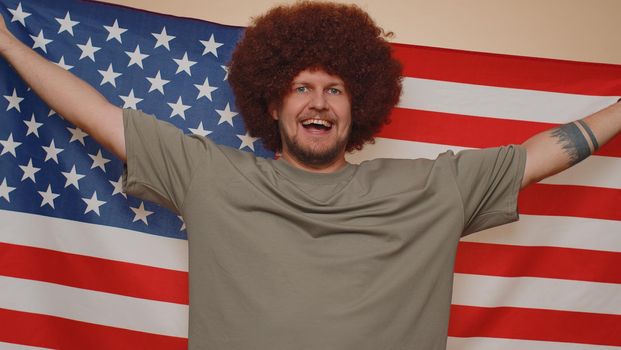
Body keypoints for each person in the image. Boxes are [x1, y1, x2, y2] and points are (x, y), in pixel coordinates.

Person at [0, 2, 619, 349]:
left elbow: (545, 153)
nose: (318, 102)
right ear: (271, 102)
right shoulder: (209, 175)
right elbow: (98, 114)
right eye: (301, 87)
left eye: (335, 88)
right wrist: (8, 44)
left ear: (360, 105)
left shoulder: (429, 187)